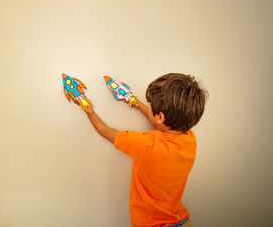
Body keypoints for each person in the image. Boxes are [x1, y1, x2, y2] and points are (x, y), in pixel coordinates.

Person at [82, 73, 207, 227]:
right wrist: (132, 100)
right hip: (181, 221)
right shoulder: (190, 139)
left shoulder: (146, 144)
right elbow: (162, 123)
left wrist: (84, 104)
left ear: (160, 116)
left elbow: (103, 130)